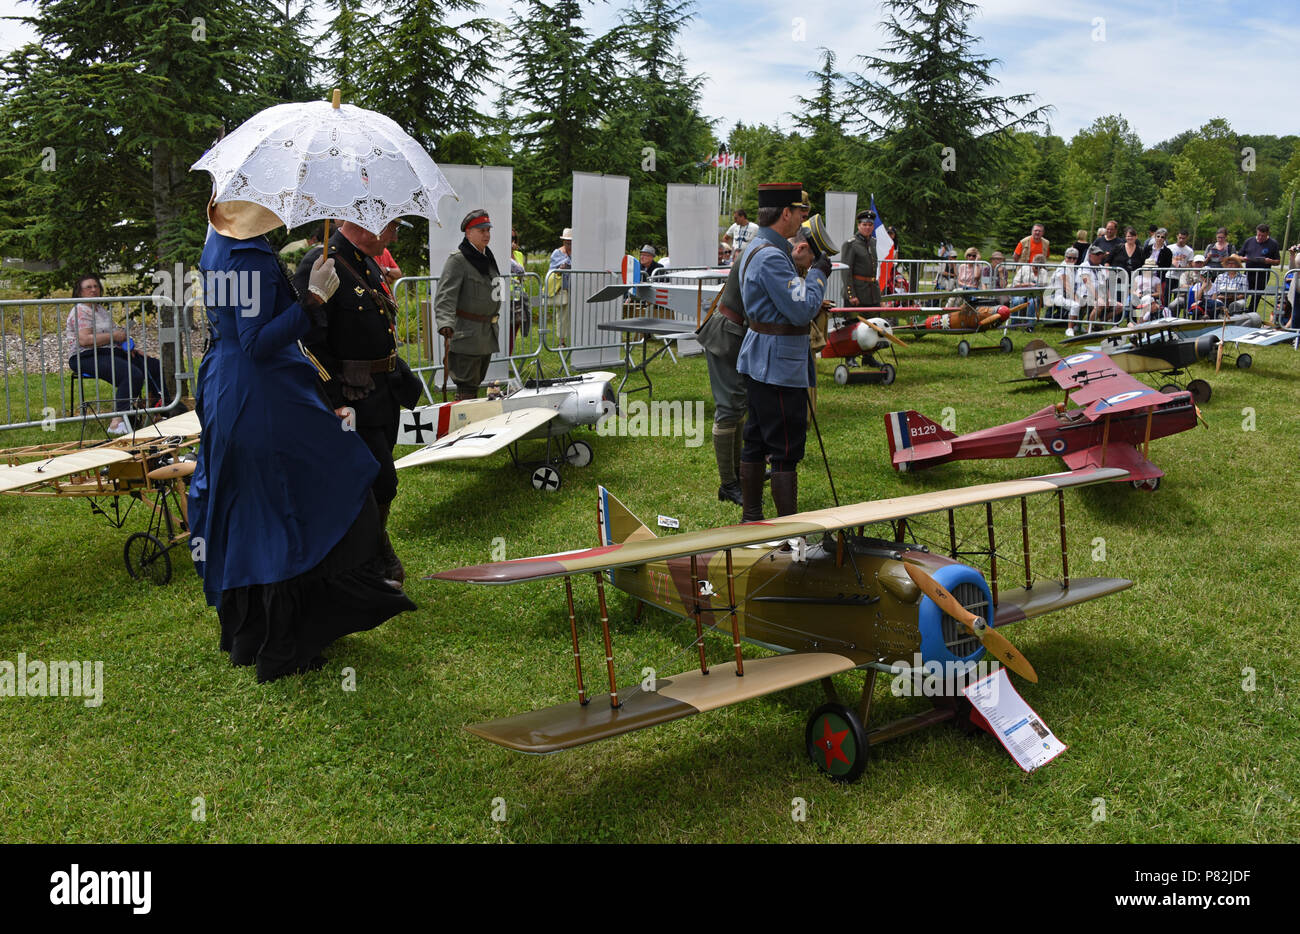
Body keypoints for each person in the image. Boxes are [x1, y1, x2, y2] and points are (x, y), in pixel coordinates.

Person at [191, 201, 414, 683]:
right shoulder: (245, 255)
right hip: (259, 394)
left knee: (258, 509)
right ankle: (281, 639)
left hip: (236, 387)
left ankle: (253, 634)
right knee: (288, 504)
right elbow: (256, 341)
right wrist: (312, 302)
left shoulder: (221, 241)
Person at [294, 217, 424, 586]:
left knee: (380, 483)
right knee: (378, 480)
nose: (395, 235)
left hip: (382, 390)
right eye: (391, 227)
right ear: (364, 224)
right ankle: (374, 557)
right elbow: (307, 342)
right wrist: (332, 398)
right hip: (350, 398)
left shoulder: (366, 260)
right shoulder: (320, 263)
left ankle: (369, 553)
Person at [735, 182, 828, 521]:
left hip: (763, 358)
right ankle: (786, 533)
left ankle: (753, 519)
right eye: (801, 213)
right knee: (785, 449)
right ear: (785, 213)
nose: (804, 219)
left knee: (757, 440)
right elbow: (801, 309)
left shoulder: (760, 247)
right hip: (778, 365)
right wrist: (817, 273)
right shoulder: (772, 256)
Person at [65, 273, 164, 435]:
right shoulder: (81, 310)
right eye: (88, 287)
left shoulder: (100, 309)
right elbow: (85, 340)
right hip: (85, 356)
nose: (93, 290)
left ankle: (157, 411)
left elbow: (113, 335)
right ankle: (117, 422)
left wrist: (129, 348)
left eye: (96, 286)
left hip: (109, 350)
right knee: (131, 374)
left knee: (152, 365)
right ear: (80, 292)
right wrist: (114, 337)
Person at [435, 209, 501, 402]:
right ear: (468, 232)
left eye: (488, 230)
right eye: (481, 230)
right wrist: (445, 322)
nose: (487, 234)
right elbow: (445, 296)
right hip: (466, 334)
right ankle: (462, 423)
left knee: (475, 383)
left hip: (486, 333)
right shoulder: (459, 260)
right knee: (466, 387)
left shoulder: (486, 258)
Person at [840, 209, 880, 309]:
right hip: (857, 294)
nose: (867, 227)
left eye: (870, 225)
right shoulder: (851, 244)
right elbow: (846, 272)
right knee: (856, 324)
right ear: (859, 226)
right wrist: (851, 295)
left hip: (872, 294)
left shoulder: (872, 242)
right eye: (864, 224)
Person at [1238, 223, 1280, 313]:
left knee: (1256, 297)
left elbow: (1277, 261)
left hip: (1262, 276)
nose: (1260, 237)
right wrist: (1243, 259)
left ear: (1268, 234)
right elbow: (1239, 256)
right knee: (1242, 295)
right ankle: (1238, 312)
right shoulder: (1249, 241)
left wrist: (1269, 261)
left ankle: (1251, 315)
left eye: (1263, 236)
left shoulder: (1273, 244)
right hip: (1248, 274)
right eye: (1258, 235)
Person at [547, 228, 573, 345]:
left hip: (577, 288)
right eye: (567, 241)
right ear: (563, 241)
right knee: (562, 316)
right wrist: (560, 268)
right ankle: (561, 342)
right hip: (563, 289)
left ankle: (575, 339)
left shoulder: (577, 253)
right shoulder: (557, 253)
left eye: (571, 241)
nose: (569, 244)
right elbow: (552, 271)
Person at [508, 229, 531, 353]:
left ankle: (509, 357)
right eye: (510, 238)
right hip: (504, 295)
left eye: (514, 238)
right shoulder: (500, 253)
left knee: (515, 327)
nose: (512, 241)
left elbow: (522, 276)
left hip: (518, 295)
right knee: (506, 328)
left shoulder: (519, 255)